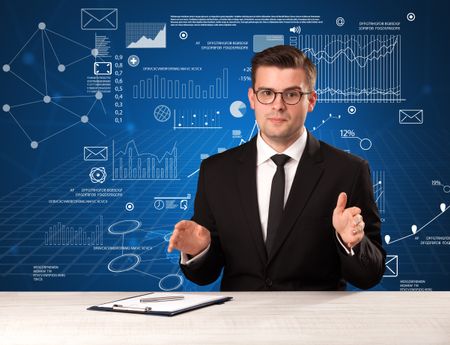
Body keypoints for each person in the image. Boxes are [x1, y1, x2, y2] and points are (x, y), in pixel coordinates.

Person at [168, 45, 386, 291]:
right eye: (267, 93)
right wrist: (199, 250)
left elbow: (371, 275)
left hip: (316, 323)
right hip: (239, 321)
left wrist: (353, 243)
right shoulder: (216, 172)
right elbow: (205, 275)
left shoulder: (349, 171)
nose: (278, 105)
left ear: (311, 100)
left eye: (291, 94)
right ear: (252, 99)